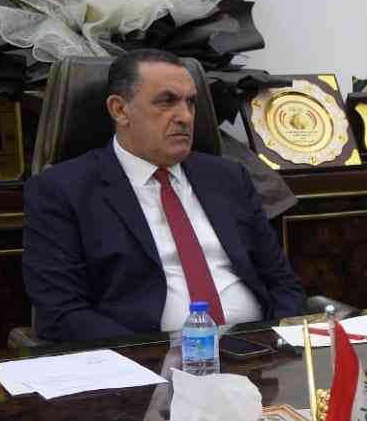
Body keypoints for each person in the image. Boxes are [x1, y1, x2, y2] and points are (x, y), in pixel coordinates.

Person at [23, 49, 305, 342]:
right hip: (146, 356)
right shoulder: (62, 190)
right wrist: (153, 354)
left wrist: (278, 341)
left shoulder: (228, 178)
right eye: (167, 101)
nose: (185, 116)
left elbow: (283, 284)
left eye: (191, 102)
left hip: (257, 349)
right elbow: (61, 313)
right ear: (120, 110)